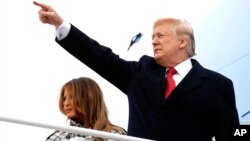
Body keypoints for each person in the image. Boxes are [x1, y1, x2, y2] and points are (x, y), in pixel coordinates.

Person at [33, 1, 239, 141]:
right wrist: (61, 25)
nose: (153, 40)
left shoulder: (218, 86)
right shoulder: (140, 74)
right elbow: (99, 57)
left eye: (160, 36)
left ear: (182, 42)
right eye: (152, 36)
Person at [46, 77, 127, 141]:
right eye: (64, 98)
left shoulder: (114, 134)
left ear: (88, 99)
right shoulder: (58, 136)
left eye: (72, 97)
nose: (65, 103)